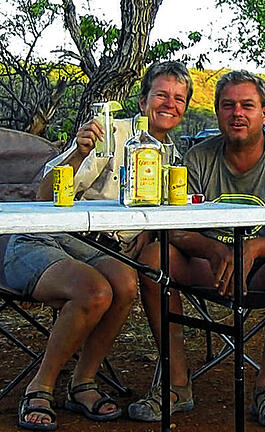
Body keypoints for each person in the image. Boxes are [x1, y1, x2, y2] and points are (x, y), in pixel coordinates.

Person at [3, 60, 193, 431]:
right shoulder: (110, 134)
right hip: (47, 237)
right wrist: (78, 151)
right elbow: (44, 197)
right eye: (161, 95)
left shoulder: (174, 158)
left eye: (179, 99)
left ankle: (82, 382)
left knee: (124, 283)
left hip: (101, 250)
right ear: (142, 102)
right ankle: (39, 387)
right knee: (95, 291)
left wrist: (147, 234)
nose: (170, 104)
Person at [128, 70, 265, 427]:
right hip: (208, 264)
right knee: (154, 257)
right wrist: (218, 252)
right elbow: (176, 225)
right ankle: (177, 384)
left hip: (263, 269)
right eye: (228, 105)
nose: (237, 113)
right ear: (216, 112)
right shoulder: (198, 157)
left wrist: (251, 249)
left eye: (247, 105)